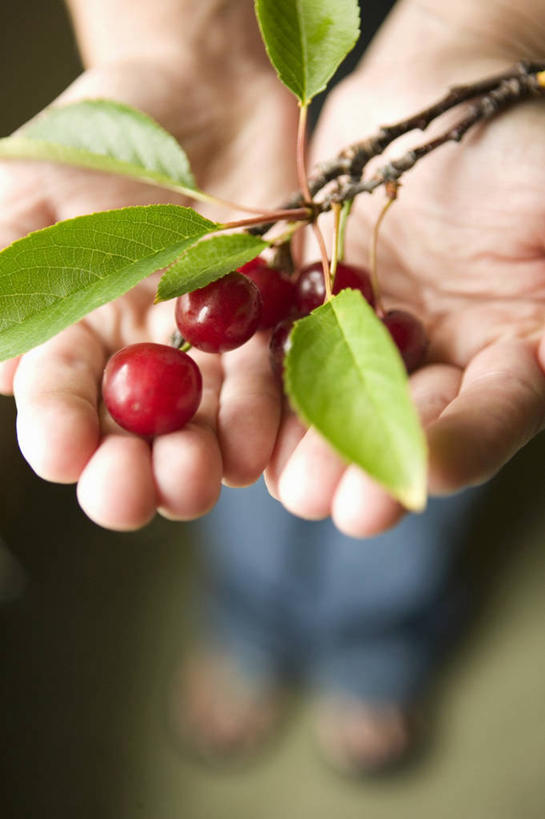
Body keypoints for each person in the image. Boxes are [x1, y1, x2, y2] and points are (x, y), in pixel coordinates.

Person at [1, 0, 545, 772]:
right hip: (246, 62)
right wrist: (173, 42)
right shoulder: (254, 295)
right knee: (246, 462)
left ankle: (376, 650)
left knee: (412, 472)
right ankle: (249, 629)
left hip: (445, 74)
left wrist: (489, 29)